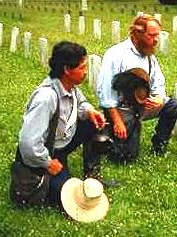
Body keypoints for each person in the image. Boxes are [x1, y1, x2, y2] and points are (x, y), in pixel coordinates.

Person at [10, 41, 113, 208]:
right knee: (67, 197)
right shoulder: (46, 98)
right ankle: (54, 175)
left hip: (61, 144)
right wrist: (48, 163)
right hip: (47, 153)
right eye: (81, 68)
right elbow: (27, 143)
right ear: (67, 69)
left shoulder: (69, 86)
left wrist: (89, 111)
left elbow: (80, 103)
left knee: (94, 122)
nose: (86, 72)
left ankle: (92, 175)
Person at [97, 14, 177, 162]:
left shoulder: (149, 56)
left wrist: (159, 99)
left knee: (173, 106)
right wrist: (117, 121)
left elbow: (158, 83)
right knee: (125, 158)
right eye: (152, 35)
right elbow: (106, 94)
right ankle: (108, 130)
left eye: (157, 36)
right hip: (122, 110)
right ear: (137, 34)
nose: (156, 40)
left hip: (143, 107)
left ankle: (159, 146)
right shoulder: (116, 54)